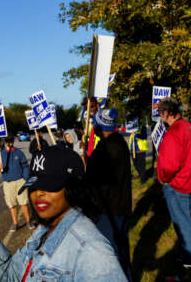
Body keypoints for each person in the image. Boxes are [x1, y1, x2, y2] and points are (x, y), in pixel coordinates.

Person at [0, 146, 128, 282]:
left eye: (50, 185)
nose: (38, 193)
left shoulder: (92, 251)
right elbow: (10, 277)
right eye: (34, 186)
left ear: (73, 189)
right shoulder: (43, 230)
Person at [156, 97, 191, 276]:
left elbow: (169, 165)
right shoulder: (190, 128)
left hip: (177, 184)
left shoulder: (174, 133)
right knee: (186, 219)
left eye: (160, 112)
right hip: (190, 180)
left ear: (167, 113)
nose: (159, 115)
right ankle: (189, 255)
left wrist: (163, 178)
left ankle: (190, 259)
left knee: (182, 222)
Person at [86, 108, 132, 279]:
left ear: (98, 128)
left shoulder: (106, 149)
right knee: (121, 252)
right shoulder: (118, 141)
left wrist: (88, 163)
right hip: (121, 206)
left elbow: (95, 181)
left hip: (108, 210)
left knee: (110, 256)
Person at [0, 134, 34, 231]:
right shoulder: (0, 154)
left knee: (24, 202)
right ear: (5, 142)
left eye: (11, 141)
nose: (10, 143)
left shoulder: (19, 152)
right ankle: (15, 223)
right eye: (8, 141)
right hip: (8, 183)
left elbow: (25, 166)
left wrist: (25, 178)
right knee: (11, 204)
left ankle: (29, 221)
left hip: (20, 181)